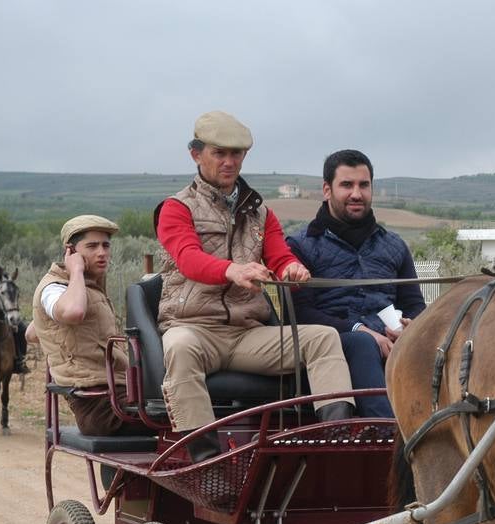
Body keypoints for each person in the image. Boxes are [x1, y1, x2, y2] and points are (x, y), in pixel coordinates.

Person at [154, 110, 355, 460]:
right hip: (194, 328)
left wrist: (292, 268)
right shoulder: (176, 208)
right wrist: (231, 270)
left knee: (324, 338)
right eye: (219, 153)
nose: (229, 162)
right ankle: (207, 462)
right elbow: (187, 258)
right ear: (196, 154)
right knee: (180, 348)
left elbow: (279, 256)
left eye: (237, 154)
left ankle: (333, 443)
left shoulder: (261, 213)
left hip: (248, 332)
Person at [287, 149, 426, 418]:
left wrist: (409, 326)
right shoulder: (300, 246)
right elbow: (300, 313)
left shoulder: (394, 245)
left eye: (364, 185)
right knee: (360, 343)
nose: (356, 194)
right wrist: (359, 329)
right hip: (331, 344)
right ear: (327, 190)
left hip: (394, 343)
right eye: (346, 185)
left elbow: (415, 305)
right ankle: (387, 434)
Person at [28, 215, 147, 436]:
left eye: (106, 245)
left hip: (117, 393)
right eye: (92, 246)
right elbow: (73, 312)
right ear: (71, 252)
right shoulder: (55, 287)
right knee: (181, 420)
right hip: (99, 407)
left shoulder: (87, 288)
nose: (101, 252)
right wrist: (76, 271)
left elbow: (32, 332)